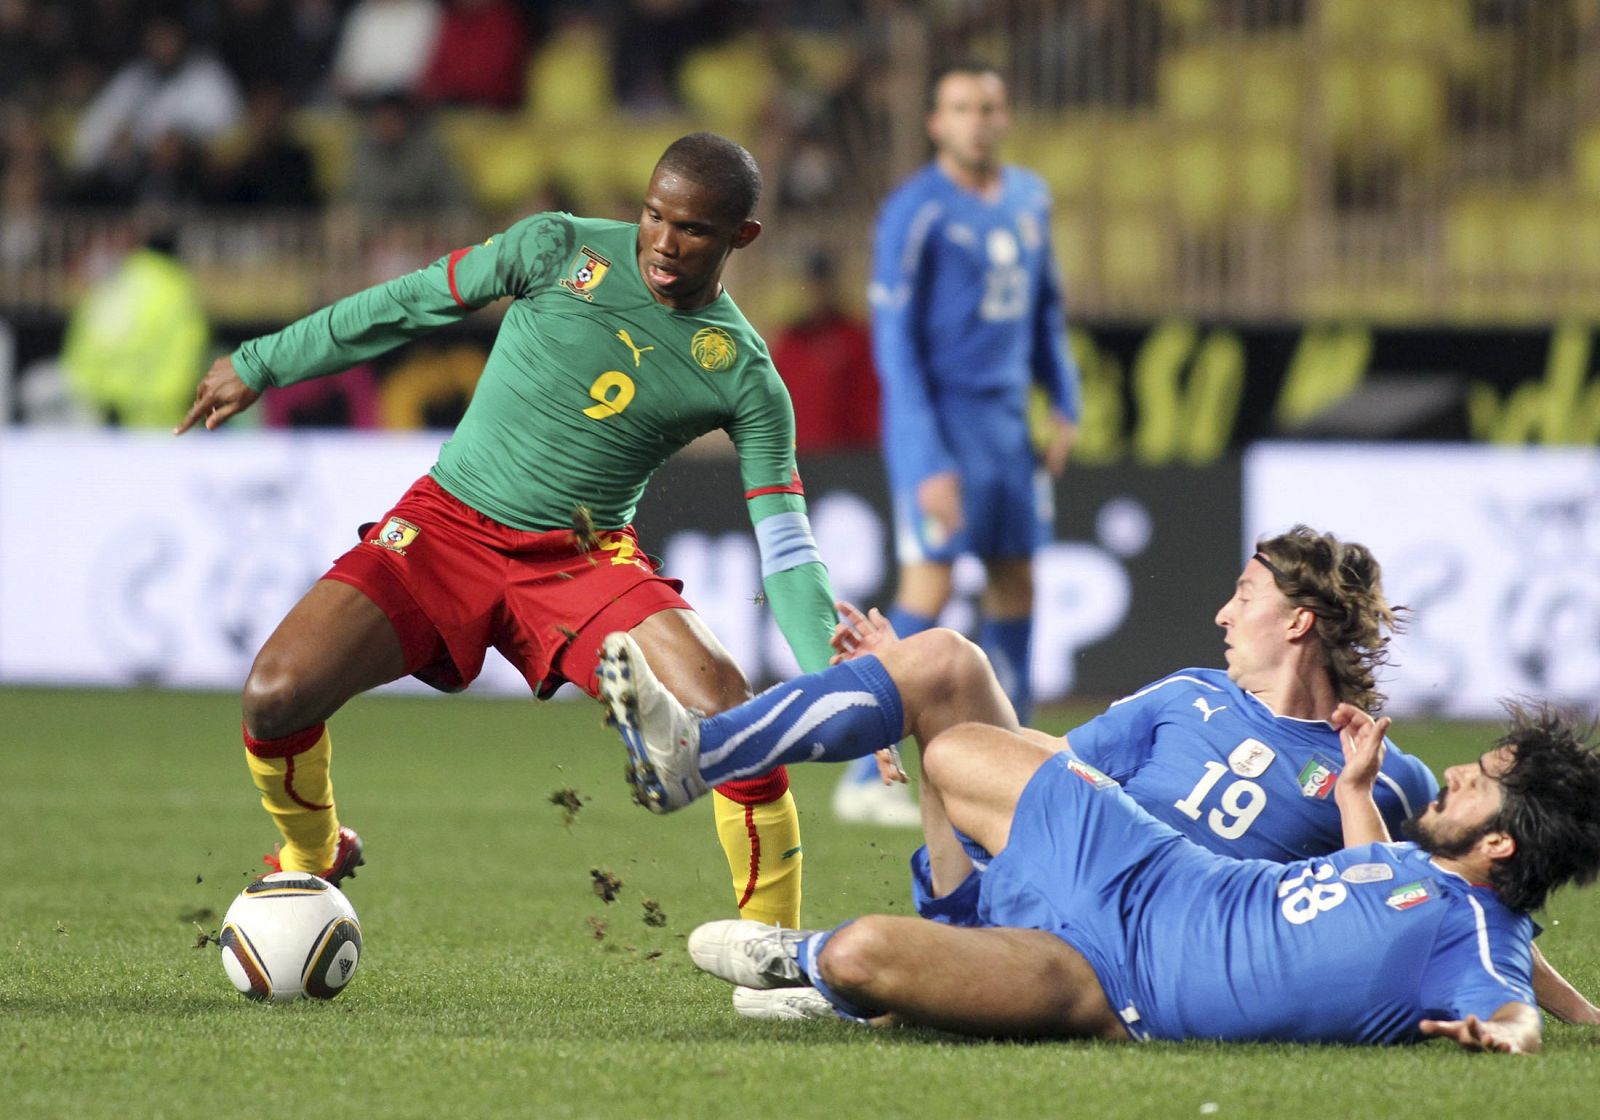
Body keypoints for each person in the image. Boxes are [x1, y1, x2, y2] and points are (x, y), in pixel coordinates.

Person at [175, 132, 837, 932]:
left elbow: (788, 544)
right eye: (653, 216)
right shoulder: (556, 246)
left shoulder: (743, 372)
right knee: (275, 695)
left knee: (736, 718)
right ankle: (314, 856)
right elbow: (405, 302)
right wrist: (264, 360)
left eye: (693, 229)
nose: (662, 243)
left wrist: (835, 681)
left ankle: (777, 954)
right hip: (443, 530)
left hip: (581, 562)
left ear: (742, 237)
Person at [597, 524, 1600, 1026]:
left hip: (1130, 955)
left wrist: (1577, 1013)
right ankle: (706, 754)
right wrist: (899, 699)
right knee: (944, 673)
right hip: (1062, 874)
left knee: (939, 696)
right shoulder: (1182, 697)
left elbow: (1473, 906)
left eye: (1241, 594)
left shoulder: (1385, 778)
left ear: (1296, 620)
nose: (1219, 613)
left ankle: (863, 976)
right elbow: (1052, 777)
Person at [837, 59, 1080, 822]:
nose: (978, 119)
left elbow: (1045, 312)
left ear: (1003, 118)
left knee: (1018, 584)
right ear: (937, 124)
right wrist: (927, 458)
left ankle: (1012, 759)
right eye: (962, 107)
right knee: (929, 589)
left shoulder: (1030, 199)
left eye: (989, 105)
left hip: (1010, 431)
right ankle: (861, 772)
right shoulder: (915, 210)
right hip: (942, 426)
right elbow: (896, 345)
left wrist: (1064, 401)